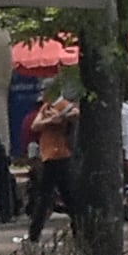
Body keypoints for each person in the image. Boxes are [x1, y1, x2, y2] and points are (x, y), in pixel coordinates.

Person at [27, 90, 81, 239]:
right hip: (48, 155)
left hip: (59, 154)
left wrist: (62, 116)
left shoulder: (63, 105)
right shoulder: (46, 107)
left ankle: (35, 233)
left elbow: (76, 113)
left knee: (51, 195)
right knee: (55, 195)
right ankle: (35, 232)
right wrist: (50, 121)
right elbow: (35, 125)